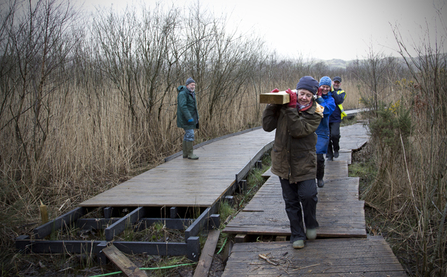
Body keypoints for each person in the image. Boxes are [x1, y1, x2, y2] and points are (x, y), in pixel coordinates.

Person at [262, 76, 324, 249]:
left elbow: (298, 130)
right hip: (283, 162)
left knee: (309, 196)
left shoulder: (316, 113)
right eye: (302, 93)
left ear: (313, 97)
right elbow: (267, 126)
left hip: (305, 162)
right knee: (291, 201)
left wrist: (290, 108)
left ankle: (311, 223)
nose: (304, 97)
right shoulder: (285, 106)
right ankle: (297, 233)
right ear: (297, 92)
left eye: (308, 95)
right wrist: (273, 104)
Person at [315, 76, 336, 188]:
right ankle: (308, 179)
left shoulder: (331, 100)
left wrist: (319, 98)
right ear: (320, 86)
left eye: (328, 87)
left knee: (319, 157)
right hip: (310, 130)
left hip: (322, 131)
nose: (325, 89)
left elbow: (326, 110)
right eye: (323, 86)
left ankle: (319, 177)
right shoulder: (312, 96)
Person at [177, 77, 199, 160]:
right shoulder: (183, 93)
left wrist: (197, 117)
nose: (193, 86)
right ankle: (190, 154)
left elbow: (193, 107)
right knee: (190, 134)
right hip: (185, 118)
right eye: (191, 84)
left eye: (194, 85)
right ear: (187, 85)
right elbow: (183, 107)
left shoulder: (191, 93)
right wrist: (189, 117)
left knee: (187, 135)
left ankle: (185, 154)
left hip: (191, 117)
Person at [327, 76, 347, 161]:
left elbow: (339, 100)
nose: (336, 84)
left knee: (335, 135)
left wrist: (332, 91)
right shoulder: (326, 90)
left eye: (337, 83)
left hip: (336, 118)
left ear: (340, 84)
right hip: (327, 117)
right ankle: (329, 154)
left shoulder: (342, 92)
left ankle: (336, 149)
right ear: (332, 82)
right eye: (334, 82)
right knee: (327, 137)